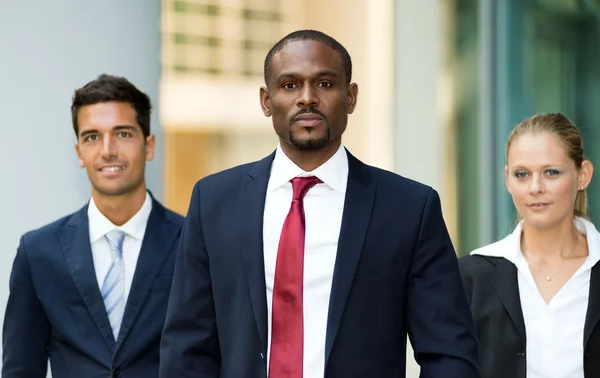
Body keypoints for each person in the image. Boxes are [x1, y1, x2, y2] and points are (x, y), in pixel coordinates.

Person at [159, 29, 480, 378]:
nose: (307, 98)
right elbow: (186, 348)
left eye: (325, 84)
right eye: (290, 85)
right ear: (266, 101)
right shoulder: (213, 202)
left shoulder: (409, 208)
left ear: (351, 97)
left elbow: (450, 354)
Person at [2, 74, 184, 378]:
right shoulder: (38, 253)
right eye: (92, 137)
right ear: (79, 153)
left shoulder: (192, 242)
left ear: (149, 146)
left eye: (123, 134)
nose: (107, 150)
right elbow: (21, 369)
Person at [459, 113, 600, 378]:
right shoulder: (470, 277)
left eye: (551, 172)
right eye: (522, 174)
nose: (535, 187)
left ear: (583, 175)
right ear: (507, 180)